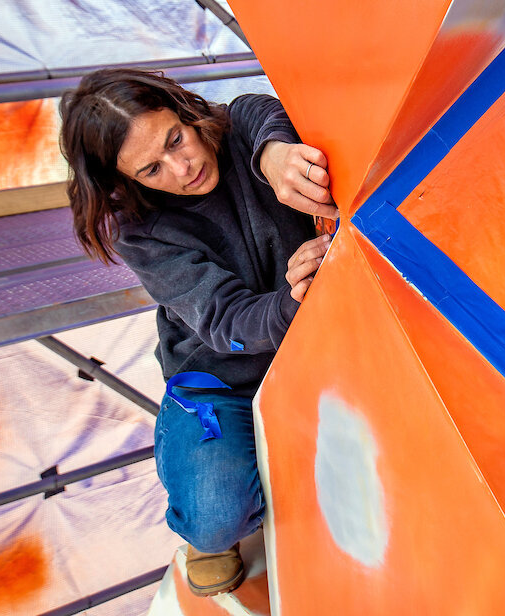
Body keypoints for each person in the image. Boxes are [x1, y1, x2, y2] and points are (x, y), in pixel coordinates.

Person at [59, 68, 337, 596]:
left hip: (315, 349)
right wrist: (296, 296)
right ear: (126, 181)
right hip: (221, 379)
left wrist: (274, 152)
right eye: (152, 168)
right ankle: (208, 537)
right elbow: (228, 323)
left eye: (176, 139)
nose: (182, 167)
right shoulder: (141, 234)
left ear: (186, 113)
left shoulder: (234, 133)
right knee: (217, 513)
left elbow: (252, 109)